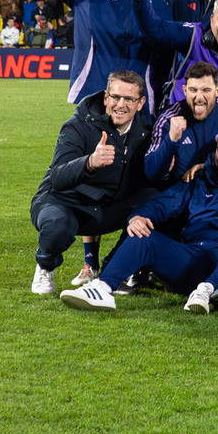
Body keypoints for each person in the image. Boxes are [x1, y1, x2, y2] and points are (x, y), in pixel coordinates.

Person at [59, 128, 218, 313]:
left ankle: (208, 290)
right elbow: (161, 204)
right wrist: (137, 217)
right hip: (193, 259)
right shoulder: (198, 181)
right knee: (143, 234)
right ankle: (103, 288)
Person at [30, 71, 156, 295]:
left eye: (129, 99)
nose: (120, 104)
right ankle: (45, 266)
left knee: (156, 201)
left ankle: (114, 268)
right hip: (63, 202)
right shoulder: (78, 125)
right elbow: (58, 178)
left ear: (140, 103)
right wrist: (89, 162)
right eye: (115, 97)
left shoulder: (144, 132)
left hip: (103, 208)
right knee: (58, 227)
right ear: (106, 98)